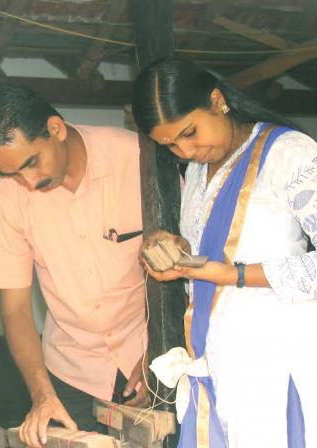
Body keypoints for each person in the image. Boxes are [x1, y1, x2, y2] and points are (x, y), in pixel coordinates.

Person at [132, 57, 317, 447]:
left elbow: (229, 266)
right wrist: (176, 252)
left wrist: (233, 275)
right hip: (220, 364)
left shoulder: (290, 154)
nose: (185, 151)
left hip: (275, 364)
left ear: (217, 100)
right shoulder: (200, 171)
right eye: (170, 145)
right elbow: (206, 252)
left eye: (190, 132)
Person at [0, 82, 148, 447]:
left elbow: (186, 272)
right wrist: (42, 393)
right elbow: (17, 309)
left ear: (56, 128)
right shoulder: (7, 199)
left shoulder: (137, 159)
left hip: (150, 356)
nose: (29, 183)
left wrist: (156, 358)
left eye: (31, 164)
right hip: (71, 375)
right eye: (13, 174)